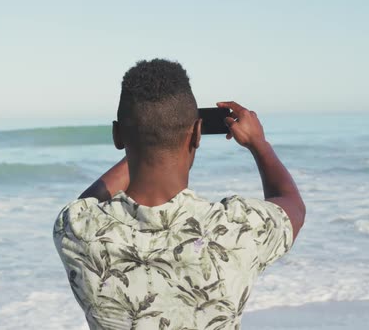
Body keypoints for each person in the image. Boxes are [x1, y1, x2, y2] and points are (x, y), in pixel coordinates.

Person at [53, 59, 305, 330]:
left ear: (117, 136)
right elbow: (292, 206)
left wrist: (144, 140)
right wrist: (259, 143)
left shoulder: (78, 229)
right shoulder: (236, 229)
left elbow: (87, 202)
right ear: (197, 133)